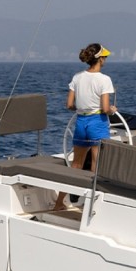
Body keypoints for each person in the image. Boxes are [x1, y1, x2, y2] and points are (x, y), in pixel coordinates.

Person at [53, 43, 117, 210]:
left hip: (81, 122)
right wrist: (112, 110)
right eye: (105, 57)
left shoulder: (77, 77)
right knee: (97, 165)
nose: (106, 60)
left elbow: (69, 105)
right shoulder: (104, 80)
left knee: (76, 165)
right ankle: (91, 206)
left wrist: (81, 108)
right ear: (100, 59)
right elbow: (105, 108)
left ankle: (59, 202)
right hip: (98, 122)